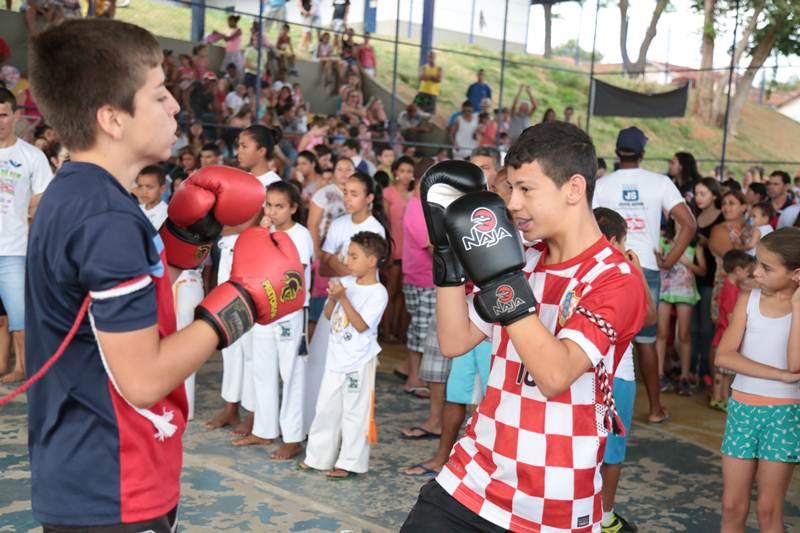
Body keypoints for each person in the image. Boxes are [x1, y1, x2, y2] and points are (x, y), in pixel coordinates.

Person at [25, 19, 304, 531]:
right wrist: (240, 302)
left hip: (82, 464)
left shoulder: (79, 193)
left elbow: (100, 318)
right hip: (115, 477)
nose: (176, 106)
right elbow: (143, 379)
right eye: (158, 95)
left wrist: (183, 246)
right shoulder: (107, 219)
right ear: (112, 118)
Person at [401, 122, 647, 532]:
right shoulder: (525, 258)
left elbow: (554, 374)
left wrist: (501, 281)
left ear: (574, 188)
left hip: (551, 499)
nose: (512, 203)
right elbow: (453, 340)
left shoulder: (615, 278)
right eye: (509, 188)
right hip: (473, 475)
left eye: (526, 189)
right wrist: (447, 256)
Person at [593, 126, 696, 424]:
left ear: (616, 152)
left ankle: (601, 408)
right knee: (646, 339)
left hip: (608, 264)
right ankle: (654, 408)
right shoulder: (660, 182)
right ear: (643, 153)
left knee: (605, 335)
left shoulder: (603, 184)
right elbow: (688, 224)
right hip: (646, 266)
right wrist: (670, 260)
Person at [716, 228, 800, 532]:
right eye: (756, 263)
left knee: (768, 509)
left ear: (796, 274)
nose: (756, 272)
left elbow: (796, 363)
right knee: (731, 505)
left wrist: (797, 305)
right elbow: (724, 356)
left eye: (767, 267)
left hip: (784, 414)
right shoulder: (748, 300)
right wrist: (778, 375)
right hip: (742, 408)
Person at [299, 231, 389, 479]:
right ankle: (318, 457)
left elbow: (361, 326)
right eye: (347, 255)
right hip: (336, 359)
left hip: (358, 362)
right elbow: (329, 315)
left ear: (372, 261)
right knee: (325, 408)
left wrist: (343, 298)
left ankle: (349, 462)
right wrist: (332, 298)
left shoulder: (377, 293)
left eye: (354, 256)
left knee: (354, 413)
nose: (348, 261)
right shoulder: (347, 283)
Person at [239, 181, 313, 460]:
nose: (273, 211)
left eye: (280, 206)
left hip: (290, 311)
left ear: (293, 208)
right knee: (262, 368)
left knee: (291, 373)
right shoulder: (263, 232)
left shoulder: (300, 235)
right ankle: (264, 428)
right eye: (269, 204)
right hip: (263, 309)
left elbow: (293, 273)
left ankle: (293, 437)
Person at [594, 207, 656, 533]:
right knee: (612, 451)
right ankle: (604, 517)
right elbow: (650, 319)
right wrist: (638, 273)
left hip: (584, 372)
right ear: (618, 239)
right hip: (617, 376)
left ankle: (586, 513)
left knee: (585, 444)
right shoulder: (623, 271)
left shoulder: (580, 266)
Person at [0, 87, 53, 383]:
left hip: (15, 249)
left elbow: (43, 197)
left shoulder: (32, 156)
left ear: (16, 115)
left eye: (4, 115)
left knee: (20, 319)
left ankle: (24, 367)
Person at [708, 190, 753, 411]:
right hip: (724, 285)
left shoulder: (751, 229)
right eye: (724, 203)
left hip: (745, 286)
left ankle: (728, 389)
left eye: (732, 203)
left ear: (744, 206)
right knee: (722, 332)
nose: (726, 207)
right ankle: (716, 387)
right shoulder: (719, 230)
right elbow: (732, 257)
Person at [656, 220, 705, 396]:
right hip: (665, 289)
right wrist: (659, 257)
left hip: (685, 290)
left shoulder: (694, 242)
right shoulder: (663, 239)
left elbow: (703, 270)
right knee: (661, 332)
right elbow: (659, 262)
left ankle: (684, 376)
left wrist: (686, 262)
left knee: (684, 334)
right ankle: (659, 374)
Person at [709, 250, 755, 412]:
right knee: (724, 373)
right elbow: (730, 316)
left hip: (722, 334)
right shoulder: (731, 290)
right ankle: (720, 398)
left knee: (724, 373)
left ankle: (720, 398)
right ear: (738, 271)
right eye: (747, 270)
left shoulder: (730, 286)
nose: (749, 273)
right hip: (725, 335)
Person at [692, 177, 724, 388]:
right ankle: (695, 366)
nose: (698, 198)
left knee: (705, 326)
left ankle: (706, 366)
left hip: (710, 278)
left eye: (703, 194)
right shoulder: (694, 216)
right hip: (690, 276)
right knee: (693, 327)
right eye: (696, 194)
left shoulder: (720, 219)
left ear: (714, 195)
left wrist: (706, 242)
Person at [381, 155, 414, 344]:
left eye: (409, 171)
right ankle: (386, 331)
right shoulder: (388, 193)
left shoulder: (414, 195)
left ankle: (400, 332)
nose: (406, 175)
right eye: (402, 171)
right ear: (395, 172)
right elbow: (385, 224)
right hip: (394, 249)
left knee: (403, 294)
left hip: (410, 252)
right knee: (390, 293)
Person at [135, 165, 168, 230]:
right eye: (140, 186)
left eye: (149, 187)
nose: (144, 192)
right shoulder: (136, 210)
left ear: (162, 188)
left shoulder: (166, 214)